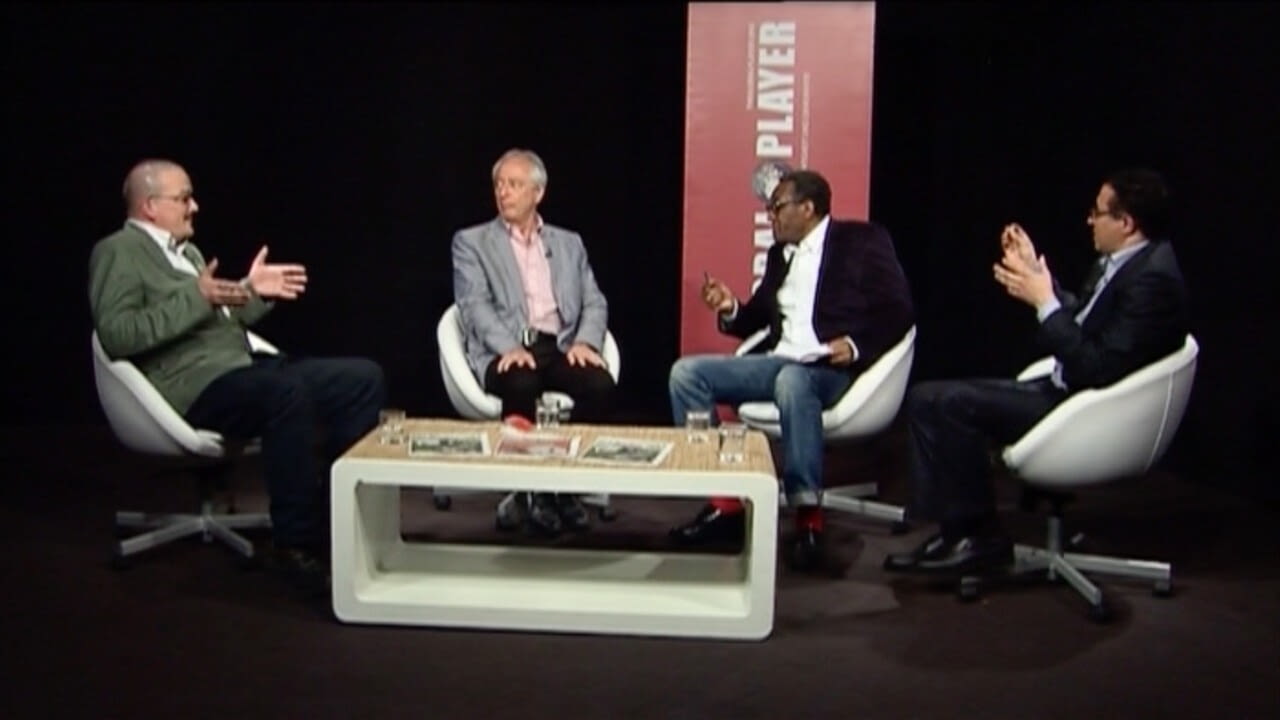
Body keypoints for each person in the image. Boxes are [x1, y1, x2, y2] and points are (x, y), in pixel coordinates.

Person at [88, 159, 387, 595]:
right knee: (286, 393)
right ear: (150, 206)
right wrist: (197, 297)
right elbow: (117, 334)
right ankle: (296, 544)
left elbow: (218, 319)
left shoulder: (187, 253)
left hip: (241, 367)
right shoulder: (118, 252)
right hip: (191, 385)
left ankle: (333, 518)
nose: (194, 207)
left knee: (362, 379)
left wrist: (250, 291)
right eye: (183, 198)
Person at [885, 167, 1191, 576]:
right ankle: (957, 529)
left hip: (1087, 406)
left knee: (949, 403)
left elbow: (1095, 366)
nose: (1089, 220)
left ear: (1126, 223)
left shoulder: (1153, 281)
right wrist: (1037, 276)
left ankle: (980, 538)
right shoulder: (1122, 263)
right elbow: (1085, 320)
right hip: (1063, 389)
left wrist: (1044, 301)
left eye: (1098, 212)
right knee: (928, 398)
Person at [668, 169, 915, 571]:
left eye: (777, 207)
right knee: (686, 374)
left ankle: (807, 517)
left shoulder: (862, 242)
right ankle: (726, 505)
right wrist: (730, 307)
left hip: (829, 368)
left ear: (808, 208)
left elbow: (899, 311)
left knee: (793, 379)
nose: (770, 216)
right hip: (779, 361)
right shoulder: (778, 254)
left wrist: (855, 345)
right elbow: (757, 318)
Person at [451, 148, 616, 537]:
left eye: (514, 184)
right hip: (505, 349)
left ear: (537, 193)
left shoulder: (569, 243)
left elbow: (594, 301)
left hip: (558, 347)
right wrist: (508, 347)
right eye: (499, 184)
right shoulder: (472, 242)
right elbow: (473, 305)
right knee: (521, 382)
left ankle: (567, 486)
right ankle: (531, 489)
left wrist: (586, 343)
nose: (503, 192)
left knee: (599, 385)